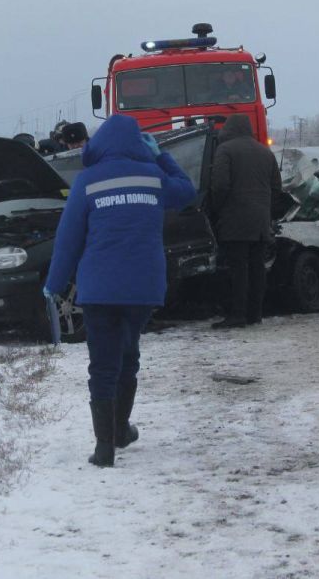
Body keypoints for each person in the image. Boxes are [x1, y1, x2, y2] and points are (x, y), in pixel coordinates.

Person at [44, 114, 196, 467]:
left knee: (102, 365)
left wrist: (53, 285)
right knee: (128, 355)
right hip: (143, 288)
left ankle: (104, 447)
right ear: (138, 144)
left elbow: (68, 242)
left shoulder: (88, 181)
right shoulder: (154, 177)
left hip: (98, 289)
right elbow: (187, 191)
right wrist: (162, 156)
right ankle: (121, 429)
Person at [210, 114, 282, 329]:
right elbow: (276, 188)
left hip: (235, 219)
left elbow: (220, 186)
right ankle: (255, 313)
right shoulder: (265, 152)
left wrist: (216, 209)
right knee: (257, 268)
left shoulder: (225, 150)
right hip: (260, 221)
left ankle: (237, 314)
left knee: (238, 268)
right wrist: (266, 211)